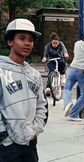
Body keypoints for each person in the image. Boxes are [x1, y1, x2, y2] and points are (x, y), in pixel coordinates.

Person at [0, 18, 48, 162]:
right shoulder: (1, 71)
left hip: (30, 143)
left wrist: (35, 131)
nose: (27, 43)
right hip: (7, 146)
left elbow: (42, 105)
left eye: (31, 40)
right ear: (10, 41)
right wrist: (4, 137)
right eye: (22, 38)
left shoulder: (35, 75)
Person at [63, 30, 84, 121]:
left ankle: (67, 103)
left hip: (72, 69)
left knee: (66, 88)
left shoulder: (77, 43)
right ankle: (73, 114)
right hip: (83, 72)